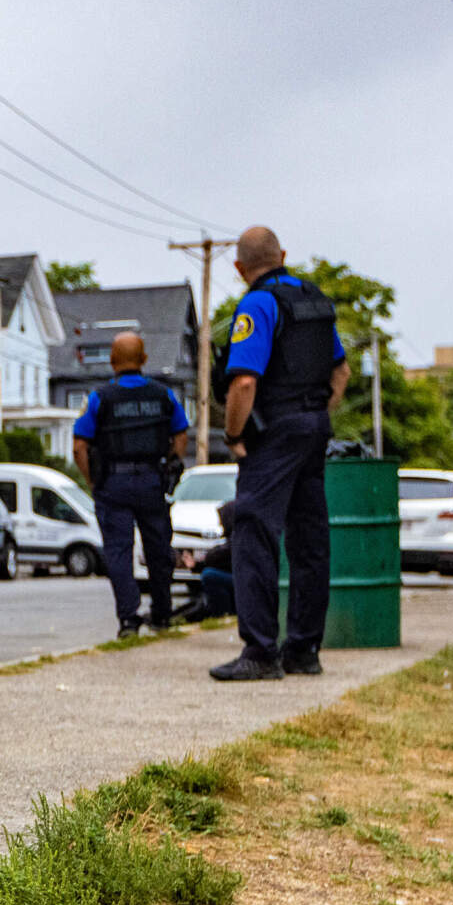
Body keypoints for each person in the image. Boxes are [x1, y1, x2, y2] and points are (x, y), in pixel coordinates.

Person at [210, 227, 351, 682]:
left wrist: (234, 434)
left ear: (238, 268)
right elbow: (341, 372)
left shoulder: (257, 304)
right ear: (283, 255)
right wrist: (314, 415)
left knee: (254, 531)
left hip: (274, 433)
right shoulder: (315, 301)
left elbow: (244, 381)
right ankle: (304, 649)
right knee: (310, 540)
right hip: (315, 428)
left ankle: (260, 651)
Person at [72, 331, 190, 637]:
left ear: (112, 362)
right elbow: (180, 436)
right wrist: (169, 468)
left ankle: (128, 620)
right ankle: (162, 615)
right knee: (159, 550)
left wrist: (92, 481)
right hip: (152, 481)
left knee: (119, 553)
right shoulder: (163, 395)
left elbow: (79, 446)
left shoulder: (100, 397)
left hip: (113, 482)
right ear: (144, 359)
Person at [173, 501, 237, 622]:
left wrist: (203, 562)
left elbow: (220, 556)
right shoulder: (237, 536)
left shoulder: (238, 537)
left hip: (244, 582)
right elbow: (223, 561)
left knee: (210, 575)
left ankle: (222, 614)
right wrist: (196, 565)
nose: (220, 523)